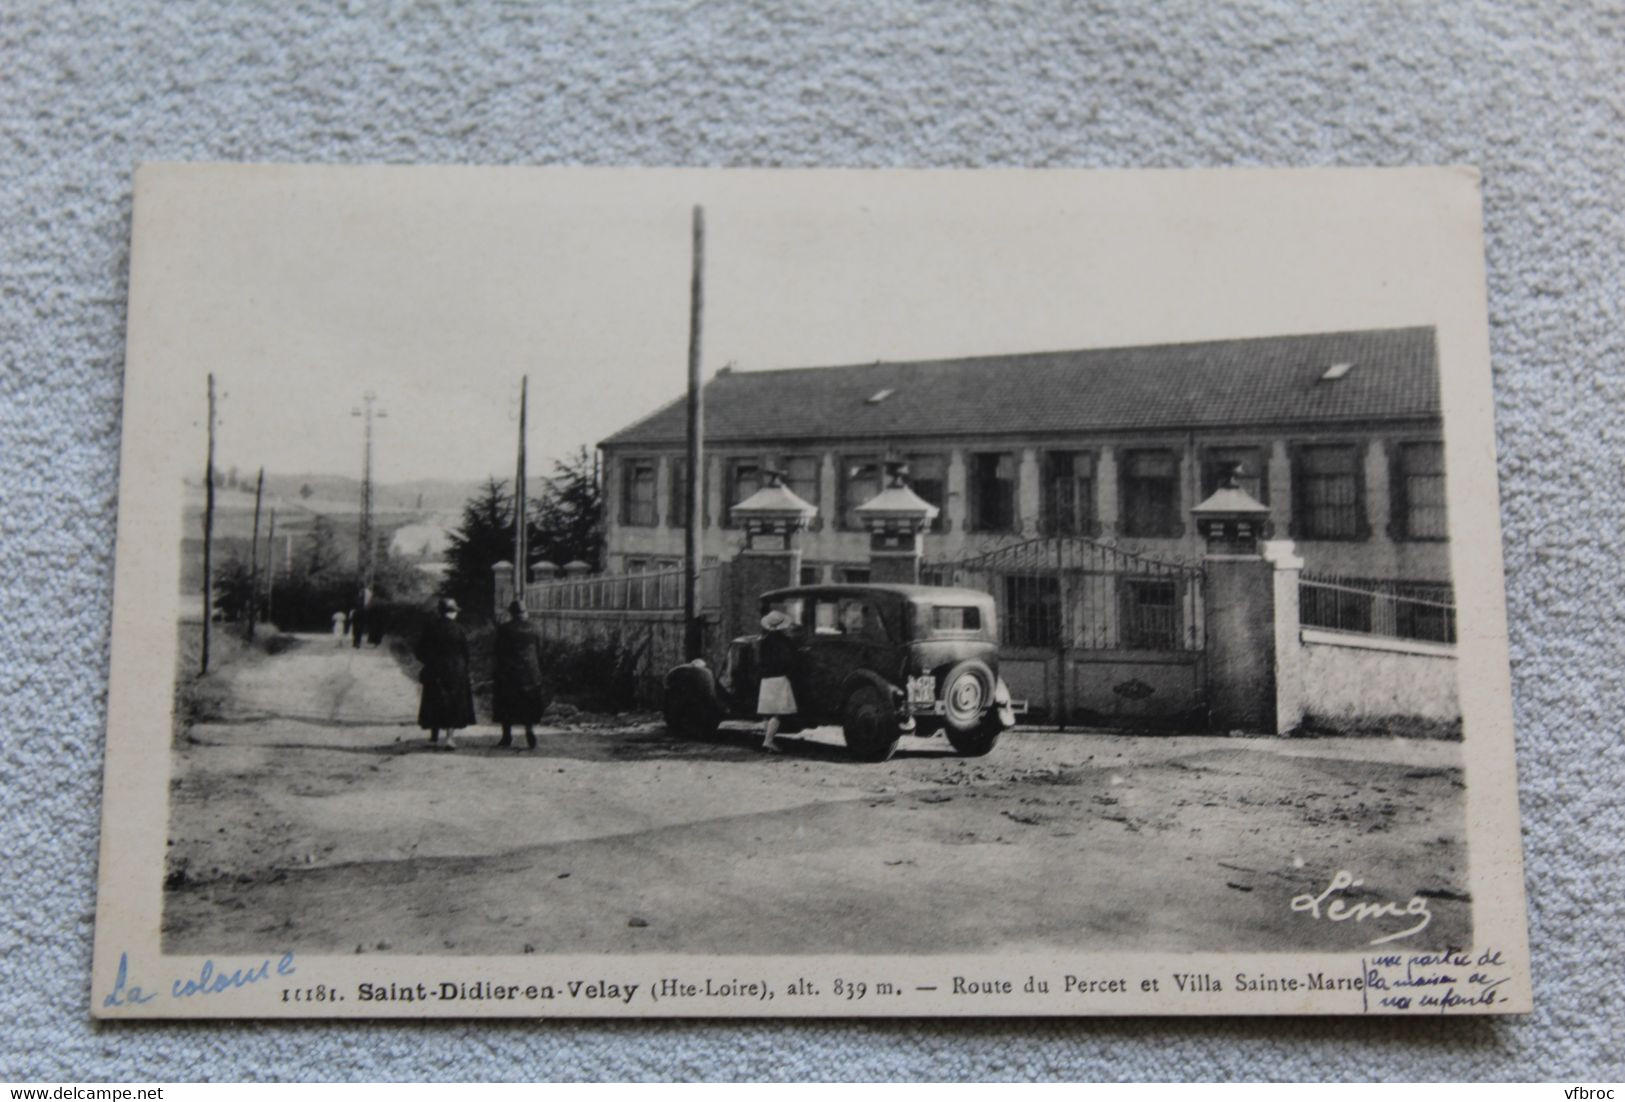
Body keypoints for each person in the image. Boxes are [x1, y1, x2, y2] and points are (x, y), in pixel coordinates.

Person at [414, 597, 476, 750]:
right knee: (453, 703)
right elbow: (466, 653)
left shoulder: (430, 627)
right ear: (453, 612)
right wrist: (465, 668)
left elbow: (419, 650)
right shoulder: (460, 629)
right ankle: (449, 738)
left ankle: (434, 734)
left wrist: (429, 662)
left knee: (433, 700)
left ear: (440, 612)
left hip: (434, 670)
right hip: (456, 671)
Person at [493, 599, 549, 750]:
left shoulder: (504, 629)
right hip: (530, 671)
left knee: (506, 703)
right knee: (528, 703)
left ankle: (506, 736)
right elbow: (540, 650)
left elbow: (498, 651)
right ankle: (529, 731)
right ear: (525, 612)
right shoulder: (535, 628)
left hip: (509, 671)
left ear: (511, 613)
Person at [757, 609, 799, 753]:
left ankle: (767, 739)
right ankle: (768, 741)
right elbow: (789, 660)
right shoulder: (785, 641)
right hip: (780, 678)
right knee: (777, 713)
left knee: (767, 712)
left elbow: (760, 660)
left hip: (766, 678)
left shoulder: (763, 641)